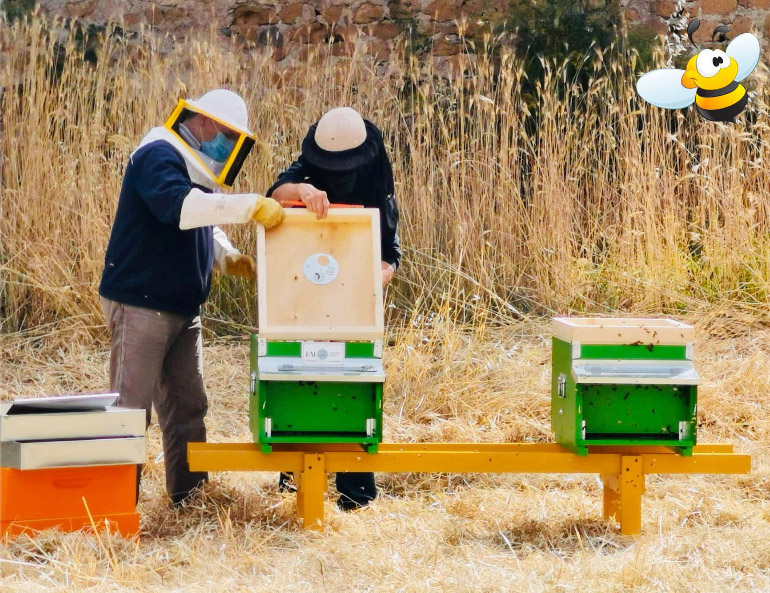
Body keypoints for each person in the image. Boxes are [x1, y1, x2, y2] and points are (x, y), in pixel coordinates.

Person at [99, 89, 285, 505]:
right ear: (204, 123)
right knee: (130, 412)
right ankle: (116, 508)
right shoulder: (158, 153)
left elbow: (207, 222)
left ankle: (190, 501)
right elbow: (182, 209)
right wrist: (250, 206)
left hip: (183, 307)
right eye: (226, 135)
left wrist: (227, 257)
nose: (228, 146)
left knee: (188, 407)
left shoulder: (197, 165)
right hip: (141, 302)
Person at [267, 106, 401, 510]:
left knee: (354, 378)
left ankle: (355, 492)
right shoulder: (309, 163)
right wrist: (303, 192)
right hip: (304, 288)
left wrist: (373, 276)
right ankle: (293, 482)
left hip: (355, 295)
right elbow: (275, 193)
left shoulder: (377, 166)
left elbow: (389, 248)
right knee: (299, 372)